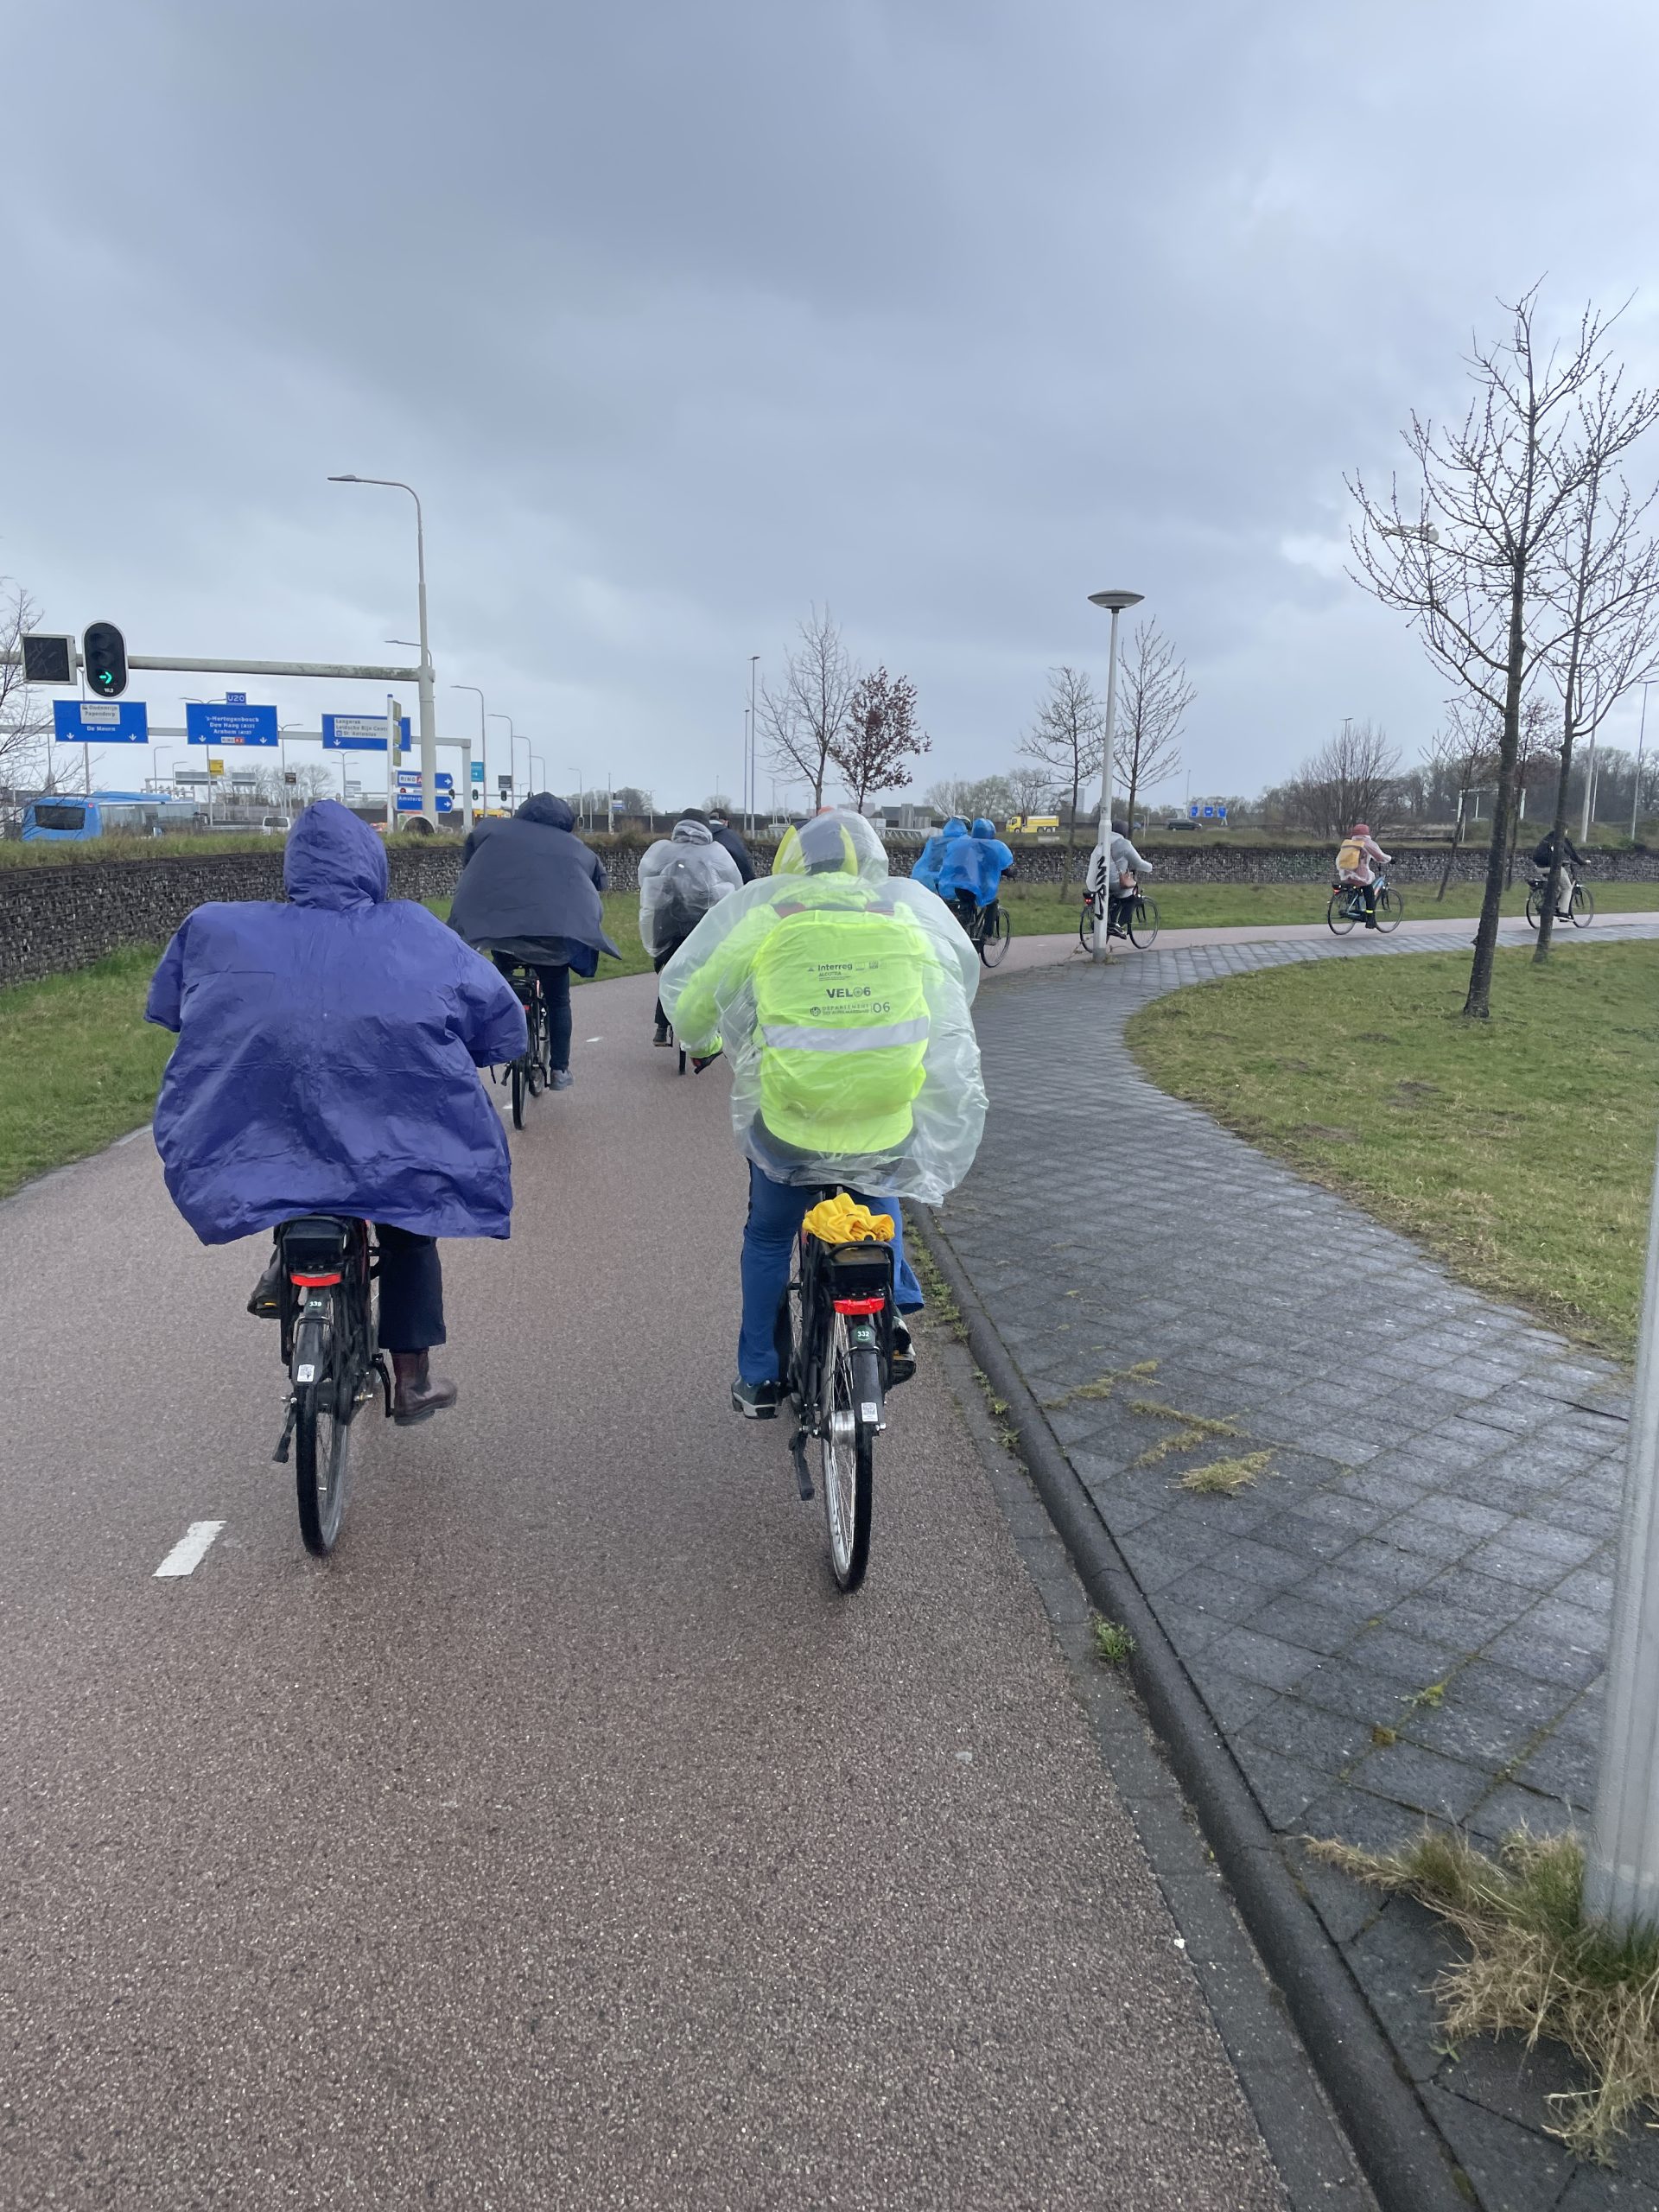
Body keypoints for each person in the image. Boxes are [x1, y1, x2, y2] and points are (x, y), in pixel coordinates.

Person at [145, 801, 527, 1424]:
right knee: (407, 1228)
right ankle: (412, 1380)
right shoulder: (415, 930)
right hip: (390, 1132)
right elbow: (496, 1015)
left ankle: (286, 1264)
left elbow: (173, 1007)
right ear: (370, 866)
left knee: (284, 1171)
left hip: (278, 1123)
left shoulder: (219, 927)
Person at [659, 810, 987, 1417]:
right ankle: (893, 1314)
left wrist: (702, 1042)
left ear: (792, 864)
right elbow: (953, 992)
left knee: (768, 1235)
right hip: (885, 1116)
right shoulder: (904, 918)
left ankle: (758, 1378)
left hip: (791, 1125)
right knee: (876, 1183)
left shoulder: (770, 918)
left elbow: (697, 1004)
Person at [448, 792, 620, 1089]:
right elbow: (598, 883)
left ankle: (483, 1042)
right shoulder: (578, 850)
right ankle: (560, 1071)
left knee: (498, 981)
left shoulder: (490, 831)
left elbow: (471, 862)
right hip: (552, 941)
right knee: (557, 999)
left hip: (501, 932)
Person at [639, 810, 746, 1044]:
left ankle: (661, 1027)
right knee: (706, 973)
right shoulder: (716, 852)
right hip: (702, 926)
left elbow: (645, 877)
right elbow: (736, 884)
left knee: (670, 970)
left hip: (668, 924)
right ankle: (707, 1028)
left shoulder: (663, 849)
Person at [938, 815, 1015, 931]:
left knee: (965, 906)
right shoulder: (994, 847)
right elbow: (1002, 864)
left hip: (959, 886)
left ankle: (967, 928)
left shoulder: (962, 844)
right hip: (979, 887)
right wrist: (1010, 873)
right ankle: (987, 934)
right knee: (992, 902)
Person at [1088, 819, 1154, 936]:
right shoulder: (1124, 844)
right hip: (1115, 882)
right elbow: (1138, 863)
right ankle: (1117, 925)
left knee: (1115, 899)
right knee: (1132, 898)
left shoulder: (1102, 842)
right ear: (1124, 832)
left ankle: (1108, 922)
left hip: (1098, 880)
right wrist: (1150, 867)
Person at [1333, 822, 1392, 929]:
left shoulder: (1349, 843)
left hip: (1346, 874)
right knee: (1369, 893)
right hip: (1359, 876)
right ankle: (1370, 919)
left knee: (1357, 887)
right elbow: (1379, 856)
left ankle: (1352, 903)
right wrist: (1390, 859)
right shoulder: (1365, 843)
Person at [1531, 826, 1584, 916]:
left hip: (1539, 867)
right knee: (1567, 888)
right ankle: (1563, 913)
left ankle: (1548, 906)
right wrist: (1582, 862)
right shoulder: (1561, 839)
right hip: (1552, 868)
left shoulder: (1548, 837)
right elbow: (1572, 854)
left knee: (1557, 888)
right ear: (1565, 830)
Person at [910, 815, 968, 894]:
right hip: (955, 885)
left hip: (931, 880)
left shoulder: (934, 841)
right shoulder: (966, 842)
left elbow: (926, 860)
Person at [706, 810, 756, 885]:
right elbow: (743, 862)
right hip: (729, 888)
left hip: (701, 888)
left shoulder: (698, 835)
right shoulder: (732, 837)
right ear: (726, 822)